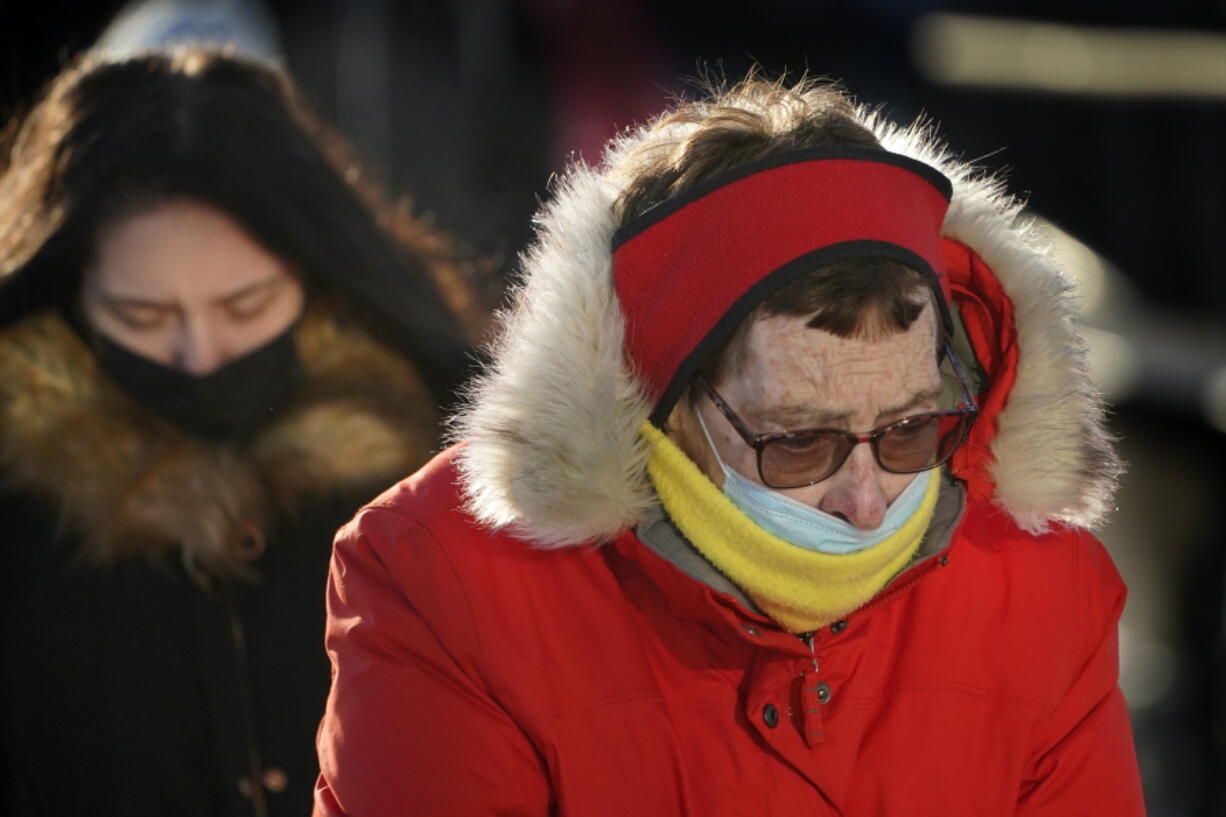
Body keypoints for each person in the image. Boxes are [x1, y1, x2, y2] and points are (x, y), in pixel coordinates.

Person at [313, 75, 1145, 815]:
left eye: (907, 429)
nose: (865, 502)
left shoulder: (1043, 587)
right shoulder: (445, 580)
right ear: (667, 400)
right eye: (798, 442)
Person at [0, 47, 480, 817]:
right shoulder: (19, 509)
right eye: (142, 317)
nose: (200, 353)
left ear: (318, 276)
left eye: (247, 305)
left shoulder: (450, 473)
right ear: (67, 293)